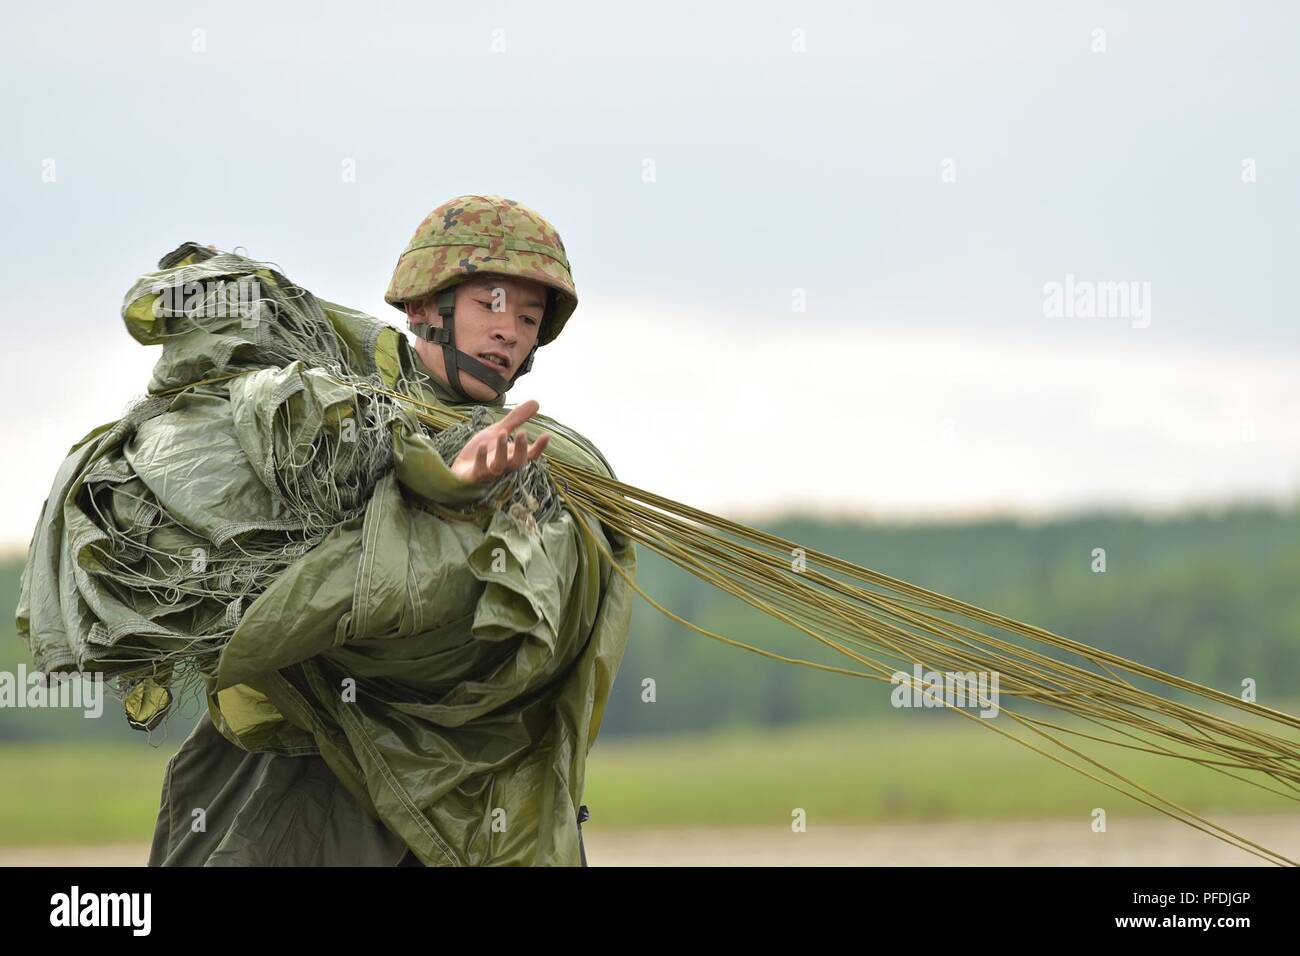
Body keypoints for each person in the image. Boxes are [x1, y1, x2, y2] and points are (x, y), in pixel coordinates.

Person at [137, 195, 635, 866]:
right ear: (426, 307)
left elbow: (517, 648)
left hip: (482, 810)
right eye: (491, 304)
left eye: (528, 317)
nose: (510, 331)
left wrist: (480, 506)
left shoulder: (548, 465)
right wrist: (435, 492)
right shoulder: (324, 417)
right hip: (307, 798)